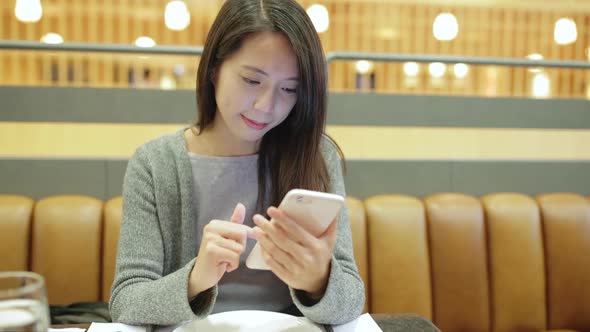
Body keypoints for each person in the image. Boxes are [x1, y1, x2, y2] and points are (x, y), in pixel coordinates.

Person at [109, 0, 365, 326]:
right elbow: (126, 302)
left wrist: (318, 279)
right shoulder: (155, 164)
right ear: (214, 69)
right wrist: (196, 279)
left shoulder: (315, 158)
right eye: (252, 80)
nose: (266, 106)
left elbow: (351, 301)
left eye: (289, 89)